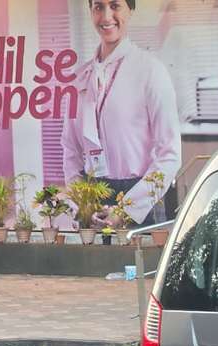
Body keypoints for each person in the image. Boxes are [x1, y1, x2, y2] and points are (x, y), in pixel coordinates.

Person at [62, 0, 181, 228]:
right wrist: (82, 203)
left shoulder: (150, 71)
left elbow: (170, 154)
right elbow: (70, 150)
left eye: (115, 5)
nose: (106, 17)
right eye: (98, 7)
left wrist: (126, 209)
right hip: (92, 201)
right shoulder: (81, 77)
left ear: (131, 9)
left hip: (138, 200)